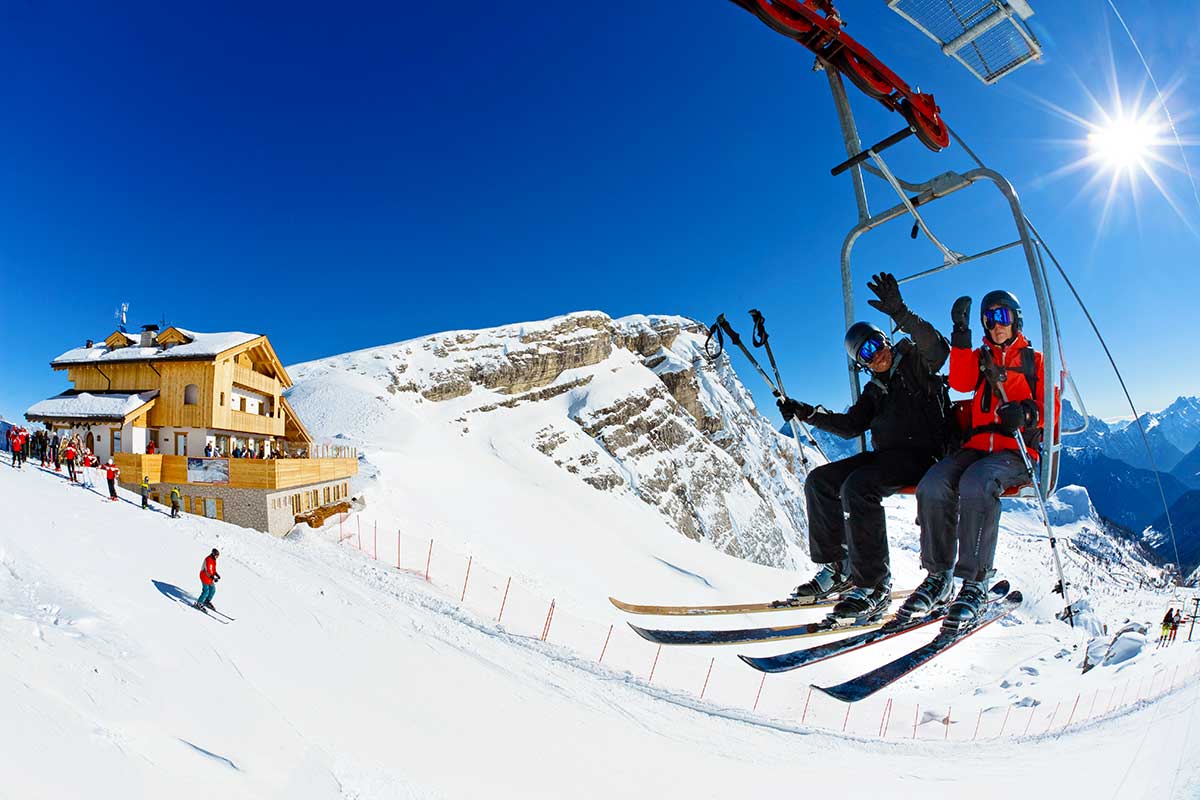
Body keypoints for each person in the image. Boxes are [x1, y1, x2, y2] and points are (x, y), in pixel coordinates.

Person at [778, 273, 953, 623]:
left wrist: (902, 313)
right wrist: (807, 413)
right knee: (820, 481)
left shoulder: (918, 363)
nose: (875, 357)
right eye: (865, 356)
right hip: (888, 457)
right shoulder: (875, 390)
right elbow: (850, 426)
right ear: (862, 365)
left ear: (885, 339)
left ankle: (873, 584)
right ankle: (841, 568)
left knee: (858, 487)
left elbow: (939, 349)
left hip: (924, 456)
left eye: (875, 345)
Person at [908, 290, 1047, 631]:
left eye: (1002, 317)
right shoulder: (980, 356)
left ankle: (974, 583)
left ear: (1016, 319)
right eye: (989, 319)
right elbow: (960, 381)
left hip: (1014, 450)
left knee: (977, 483)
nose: (996, 325)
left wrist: (1026, 414)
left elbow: (1051, 408)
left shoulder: (1035, 361)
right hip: (975, 447)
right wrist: (961, 335)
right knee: (933, 484)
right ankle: (939, 576)